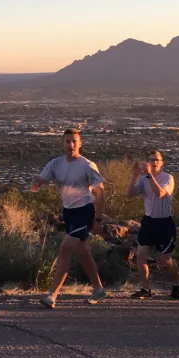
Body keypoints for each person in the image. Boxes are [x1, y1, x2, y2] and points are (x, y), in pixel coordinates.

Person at [30, 129, 108, 309]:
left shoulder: (88, 165)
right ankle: (98, 289)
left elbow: (101, 193)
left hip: (85, 212)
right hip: (69, 212)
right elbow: (42, 178)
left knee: (65, 249)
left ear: (80, 144)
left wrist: (98, 220)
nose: (71, 145)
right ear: (63, 143)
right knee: (83, 251)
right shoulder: (55, 164)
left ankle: (52, 294)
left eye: (74, 141)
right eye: (67, 141)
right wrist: (36, 182)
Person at [126, 151, 179, 299]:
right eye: (152, 160)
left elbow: (160, 193)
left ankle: (177, 283)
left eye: (157, 160)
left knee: (165, 259)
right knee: (140, 255)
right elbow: (129, 194)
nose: (155, 162)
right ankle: (145, 289)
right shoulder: (144, 179)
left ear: (162, 163)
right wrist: (134, 176)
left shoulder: (167, 178)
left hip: (164, 223)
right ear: (148, 162)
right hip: (149, 222)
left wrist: (149, 175)